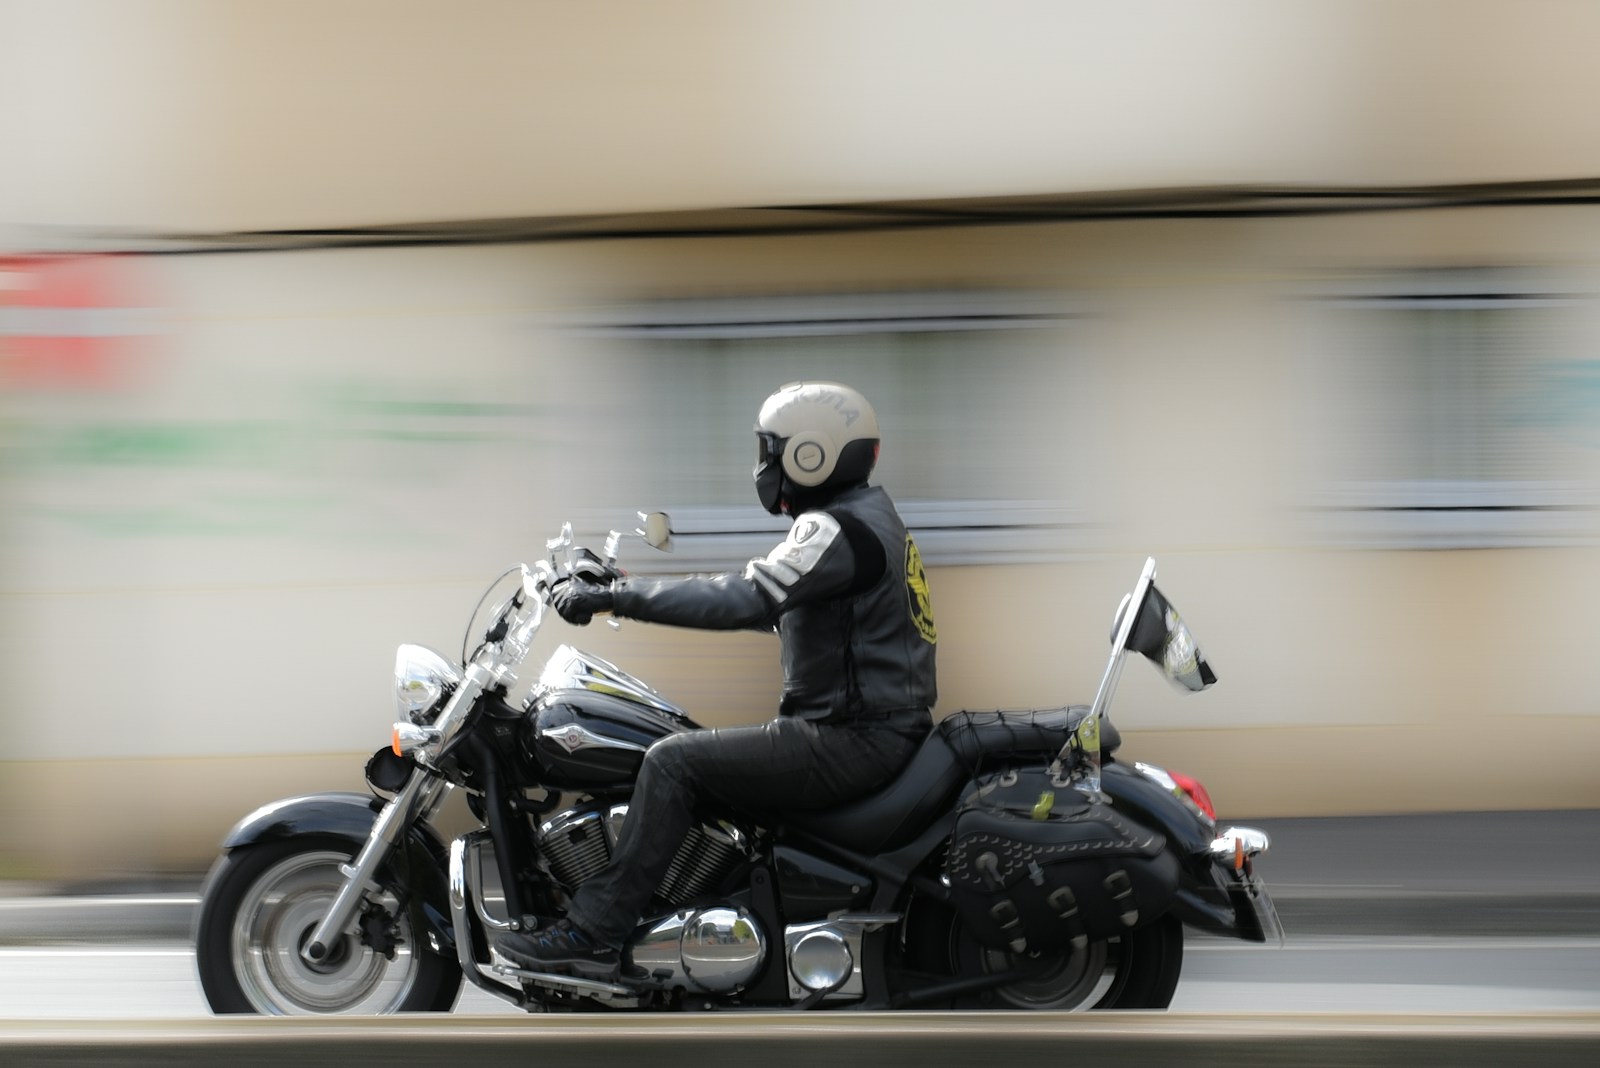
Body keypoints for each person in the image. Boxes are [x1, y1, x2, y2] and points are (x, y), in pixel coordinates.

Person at [494, 381, 938, 981]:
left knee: (672, 761)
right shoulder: (869, 519)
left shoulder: (835, 529)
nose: (764, 465)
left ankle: (593, 935)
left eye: (771, 450)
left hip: (850, 740)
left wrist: (616, 597)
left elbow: (747, 597)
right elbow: (789, 612)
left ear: (811, 453)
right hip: (871, 732)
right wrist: (623, 589)